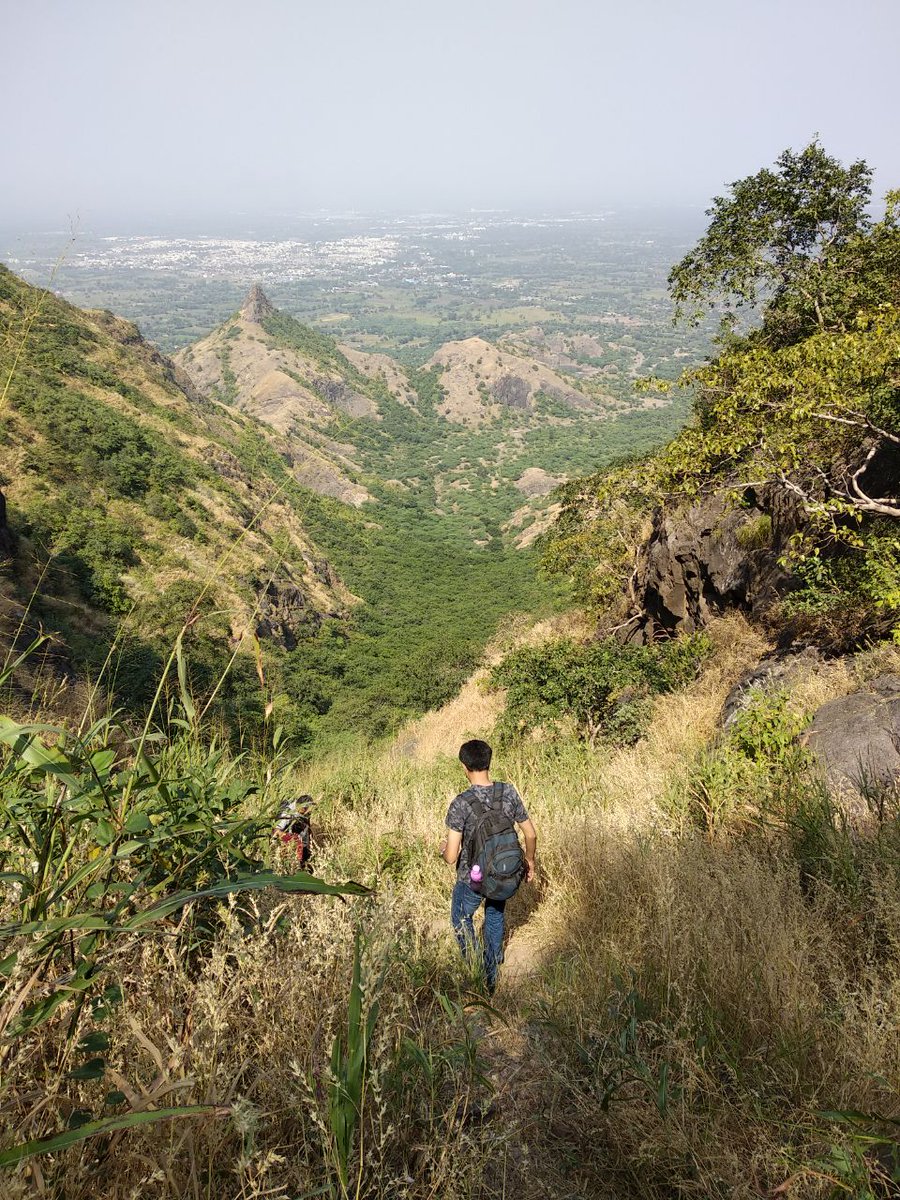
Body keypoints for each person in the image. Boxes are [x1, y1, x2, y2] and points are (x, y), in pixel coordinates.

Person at [440, 739, 536, 993]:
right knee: (494, 915)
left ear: (464, 766)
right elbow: (531, 834)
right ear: (488, 761)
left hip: (471, 878)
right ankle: (493, 969)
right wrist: (530, 861)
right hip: (503, 873)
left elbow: (451, 856)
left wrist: (443, 850)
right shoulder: (508, 792)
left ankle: (476, 971)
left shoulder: (461, 803)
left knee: (462, 919)